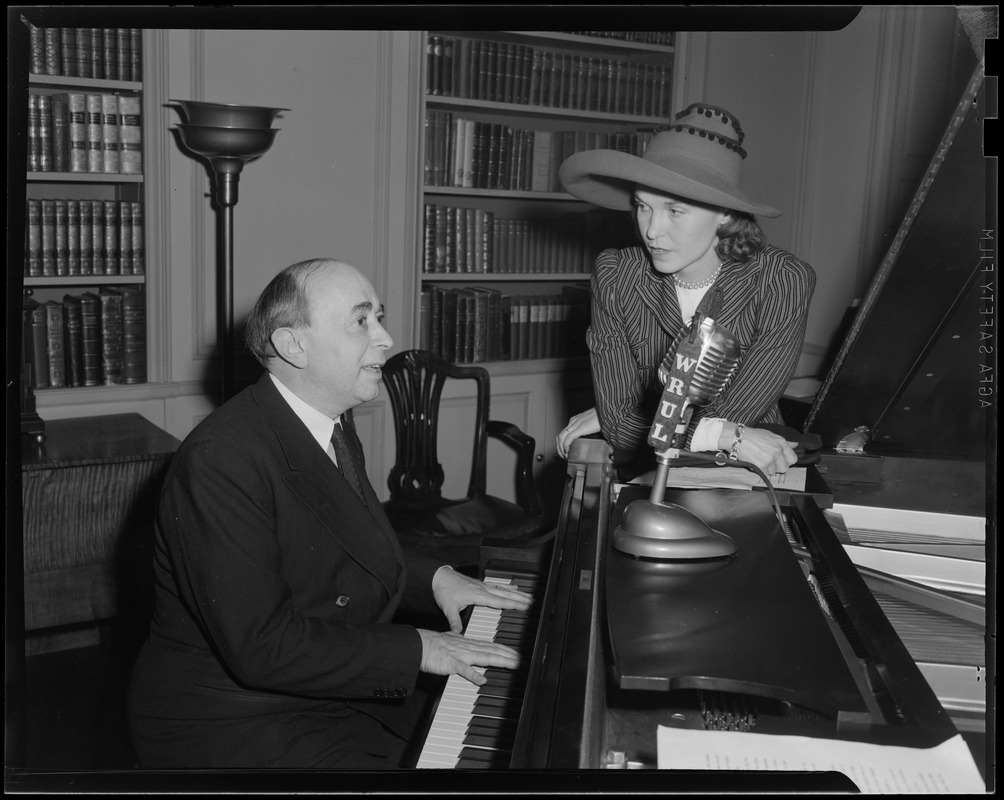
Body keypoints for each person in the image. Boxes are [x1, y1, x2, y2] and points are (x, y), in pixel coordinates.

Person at [127, 258, 532, 769]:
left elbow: (353, 539)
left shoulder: (328, 423)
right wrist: (420, 649)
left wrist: (438, 580)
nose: (385, 338)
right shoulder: (221, 459)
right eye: (361, 321)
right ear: (293, 345)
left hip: (320, 694)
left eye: (379, 317)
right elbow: (263, 646)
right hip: (233, 720)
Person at [553, 103, 816, 477]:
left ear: (724, 214)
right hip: (661, 468)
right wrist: (719, 433)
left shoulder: (782, 280)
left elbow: (734, 416)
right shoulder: (616, 274)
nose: (652, 231)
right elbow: (620, 430)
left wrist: (645, 418)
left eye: (675, 211)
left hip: (741, 472)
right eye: (643, 207)